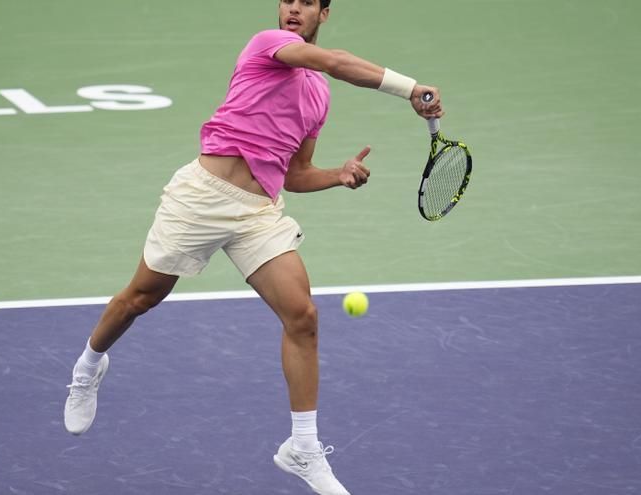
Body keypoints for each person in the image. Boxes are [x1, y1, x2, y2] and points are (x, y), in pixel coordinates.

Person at [63, 1, 442, 493]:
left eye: (307, 3)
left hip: (257, 213)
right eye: (289, 0)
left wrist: (337, 175)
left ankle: (302, 448)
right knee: (140, 297)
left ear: (323, 14)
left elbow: (294, 174)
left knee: (302, 315)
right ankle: (88, 367)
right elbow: (334, 60)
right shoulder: (269, 45)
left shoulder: (317, 96)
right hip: (200, 198)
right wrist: (409, 88)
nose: (294, 9)